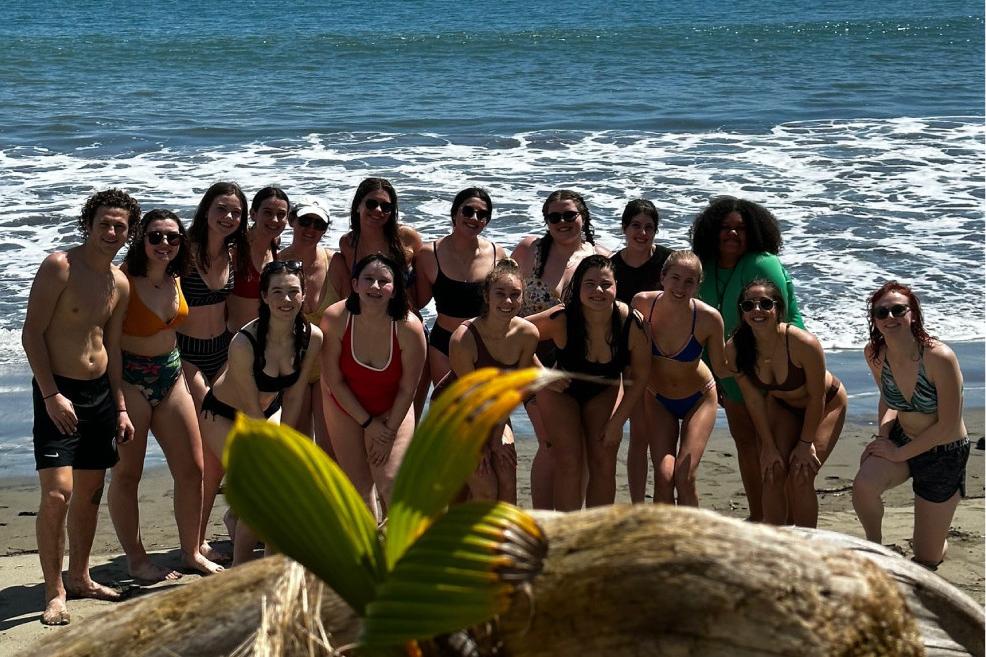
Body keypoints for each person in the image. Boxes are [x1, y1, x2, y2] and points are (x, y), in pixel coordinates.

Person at [21, 189, 140, 625]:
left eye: (121, 226)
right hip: (59, 391)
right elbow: (32, 333)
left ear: (130, 233)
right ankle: (54, 593)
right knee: (58, 494)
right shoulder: (60, 266)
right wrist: (51, 395)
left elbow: (112, 347)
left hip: (100, 397)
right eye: (105, 223)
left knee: (90, 494)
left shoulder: (120, 282)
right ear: (89, 224)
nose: (112, 232)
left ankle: (80, 577)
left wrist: (122, 407)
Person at [108, 210, 223, 582]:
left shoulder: (176, 275)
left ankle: (191, 551)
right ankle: (137, 560)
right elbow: (104, 339)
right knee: (128, 473)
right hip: (130, 377)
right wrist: (118, 402)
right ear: (141, 239)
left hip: (170, 373)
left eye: (173, 238)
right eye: (155, 237)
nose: (164, 244)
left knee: (193, 469)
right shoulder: (123, 279)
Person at [199, 260, 323, 565]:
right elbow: (250, 406)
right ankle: (242, 570)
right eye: (277, 292)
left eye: (293, 292)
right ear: (264, 296)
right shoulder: (245, 342)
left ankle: (270, 569)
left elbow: (293, 396)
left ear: (303, 295)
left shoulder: (312, 336)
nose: (286, 299)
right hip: (224, 414)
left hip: (270, 411)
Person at [690, 195, 802, 522]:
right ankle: (759, 514)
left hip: (773, 368)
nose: (732, 234)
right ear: (712, 231)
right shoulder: (704, 267)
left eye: (740, 228)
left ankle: (783, 518)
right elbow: (698, 323)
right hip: (727, 371)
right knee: (746, 446)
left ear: (753, 231)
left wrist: (765, 371)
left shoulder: (762, 263)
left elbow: (778, 318)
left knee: (775, 448)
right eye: (725, 228)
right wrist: (714, 377)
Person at [853, 282, 969, 569]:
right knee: (863, 486)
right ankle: (874, 548)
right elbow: (889, 399)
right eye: (882, 312)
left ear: (913, 314)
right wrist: (884, 437)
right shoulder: (875, 354)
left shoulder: (939, 357)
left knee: (926, 557)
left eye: (897, 310)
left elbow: (948, 425)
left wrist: (897, 454)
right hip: (903, 439)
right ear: (875, 320)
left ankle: (943, 516)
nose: (889, 317)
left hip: (944, 452)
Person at [512, 190, 610, 509]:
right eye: (554, 217)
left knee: (577, 449)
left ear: (583, 216)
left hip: (581, 365)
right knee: (551, 443)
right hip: (530, 359)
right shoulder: (530, 251)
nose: (563, 222)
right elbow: (501, 307)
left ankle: (569, 519)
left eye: (570, 215)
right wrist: (539, 371)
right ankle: (541, 521)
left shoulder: (600, 257)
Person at [527, 255, 649, 511]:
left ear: (617, 286)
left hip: (604, 390)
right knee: (570, 461)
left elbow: (640, 377)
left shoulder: (630, 322)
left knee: (604, 459)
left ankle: (597, 536)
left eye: (606, 284)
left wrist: (618, 422)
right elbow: (517, 334)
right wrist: (541, 373)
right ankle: (568, 535)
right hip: (561, 390)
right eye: (590, 283)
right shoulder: (562, 318)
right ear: (579, 287)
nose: (598, 291)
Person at [728, 280, 847, 526]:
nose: (757, 310)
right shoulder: (736, 349)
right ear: (742, 312)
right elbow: (753, 400)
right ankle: (776, 546)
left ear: (778, 309)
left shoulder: (803, 343)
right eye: (749, 305)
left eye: (765, 304)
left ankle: (806, 549)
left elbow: (818, 397)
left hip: (826, 404)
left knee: (800, 474)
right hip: (783, 407)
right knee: (772, 471)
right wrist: (768, 446)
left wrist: (805, 443)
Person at [321, 254, 426, 518]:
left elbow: (407, 389)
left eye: (384, 281)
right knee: (358, 488)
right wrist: (368, 424)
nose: (375, 287)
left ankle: (400, 551)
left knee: (391, 483)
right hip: (344, 405)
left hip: (393, 407)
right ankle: (370, 553)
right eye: (368, 279)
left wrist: (387, 432)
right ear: (355, 284)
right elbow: (334, 380)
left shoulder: (409, 327)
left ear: (395, 289)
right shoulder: (335, 317)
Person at [176, 181, 249, 560]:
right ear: (206, 209)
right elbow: (133, 279)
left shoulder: (234, 256)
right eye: (221, 208)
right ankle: (197, 543)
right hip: (186, 357)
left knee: (217, 458)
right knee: (207, 454)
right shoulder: (180, 250)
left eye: (235, 212)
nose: (228, 217)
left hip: (221, 356)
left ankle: (202, 536)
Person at [435, 258, 539, 503]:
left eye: (515, 294)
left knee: (505, 469)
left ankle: (502, 540)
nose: (508, 301)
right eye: (500, 294)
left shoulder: (527, 334)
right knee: (485, 487)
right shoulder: (463, 338)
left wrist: (497, 433)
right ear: (487, 296)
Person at [632, 251, 728, 507]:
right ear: (662, 277)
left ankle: (692, 541)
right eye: (675, 277)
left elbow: (722, 366)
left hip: (699, 398)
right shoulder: (642, 304)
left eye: (690, 281)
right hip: (658, 398)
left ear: (698, 286)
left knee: (684, 477)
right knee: (664, 476)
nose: (681, 286)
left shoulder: (709, 318)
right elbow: (628, 353)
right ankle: (664, 541)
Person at [338, 178, 427, 418]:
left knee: (409, 410)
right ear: (358, 205)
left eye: (386, 207)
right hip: (369, 331)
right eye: (371, 204)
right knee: (372, 406)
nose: (378, 211)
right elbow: (354, 289)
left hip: (408, 328)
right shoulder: (349, 243)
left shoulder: (406, 238)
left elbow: (425, 280)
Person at [610, 199, 673, 503]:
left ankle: (664, 498)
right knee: (638, 437)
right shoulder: (612, 266)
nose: (642, 232)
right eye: (636, 225)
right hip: (628, 361)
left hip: (665, 358)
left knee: (662, 437)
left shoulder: (668, 262)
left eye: (649, 227)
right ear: (624, 228)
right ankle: (638, 504)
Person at [416, 187, 507, 385]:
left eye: (482, 214)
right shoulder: (429, 254)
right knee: (450, 409)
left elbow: (507, 302)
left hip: (484, 343)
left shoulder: (496, 254)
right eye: (468, 211)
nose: (474, 218)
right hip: (443, 344)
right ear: (455, 213)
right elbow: (418, 302)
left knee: (489, 412)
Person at [279, 195, 347, 456]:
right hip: (289, 367)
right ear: (292, 221)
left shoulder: (336, 263)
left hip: (328, 367)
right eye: (305, 221)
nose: (311, 230)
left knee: (330, 447)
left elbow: (350, 315)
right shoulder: (275, 263)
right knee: (297, 447)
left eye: (319, 225)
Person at [226, 187, 290, 332]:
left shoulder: (275, 244)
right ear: (253, 214)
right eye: (267, 213)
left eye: (281, 214)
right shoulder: (235, 250)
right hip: (236, 340)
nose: (274, 220)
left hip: (267, 340)